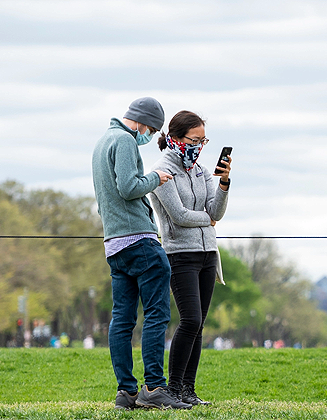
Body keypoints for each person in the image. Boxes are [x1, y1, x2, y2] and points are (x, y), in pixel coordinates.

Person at [92, 97, 190, 410]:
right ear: (142, 122)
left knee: (121, 319)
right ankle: (154, 387)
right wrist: (156, 179)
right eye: (152, 129)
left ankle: (127, 392)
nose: (149, 136)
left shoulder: (102, 142)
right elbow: (128, 187)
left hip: (115, 244)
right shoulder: (124, 140)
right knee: (157, 314)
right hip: (139, 240)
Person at [148, 110, 231, 406]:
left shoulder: (201, 171)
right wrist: (207, 219)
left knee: (199, 324)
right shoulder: (162, 171)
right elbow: (179, 216)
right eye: (194, 139)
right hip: (180, 255)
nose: (199, 145)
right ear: (175, 139)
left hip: (209, 253)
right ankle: (173, 388)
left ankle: (188, 391)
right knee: (190, 320)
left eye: (203, 140)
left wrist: (223, 185)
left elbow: (217, 212)